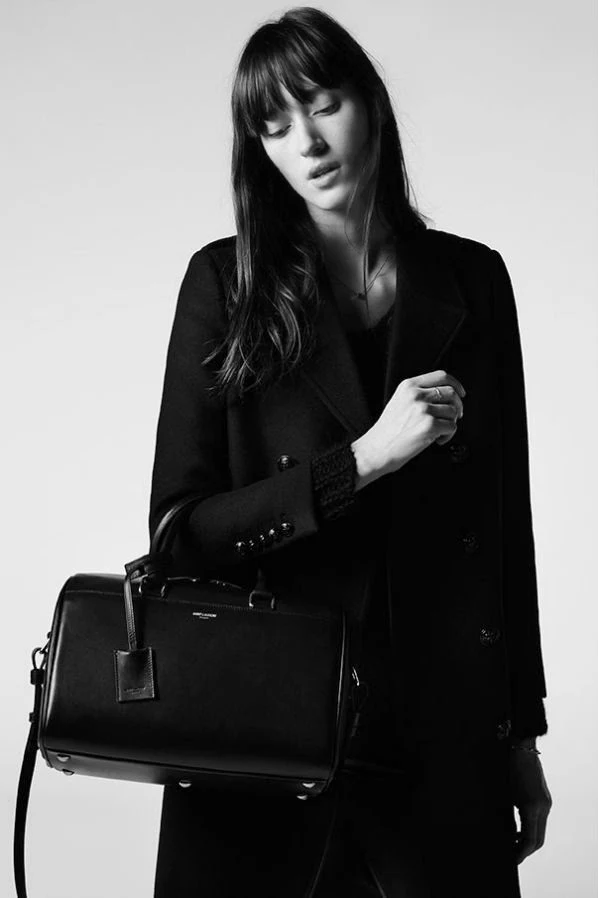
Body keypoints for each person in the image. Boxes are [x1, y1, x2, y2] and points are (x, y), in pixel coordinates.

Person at [148, 7, 552, 897]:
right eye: (275, 125)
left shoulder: (472, 279)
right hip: (263, 738)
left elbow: (504, 527)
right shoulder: (226, 285)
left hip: (441, 741)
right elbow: (181, 537)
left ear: (370, 102)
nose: (307, 142)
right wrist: (361, 461)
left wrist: (520, 736)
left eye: (323, 104)